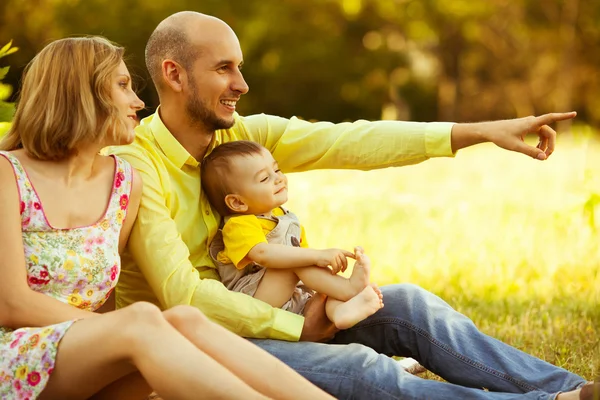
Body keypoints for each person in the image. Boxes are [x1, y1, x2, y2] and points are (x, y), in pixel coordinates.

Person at [107, 11, 598, 400]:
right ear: (174, 74)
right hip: (203, 346)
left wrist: (477, 133)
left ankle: (569, 391)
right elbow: (184, 297)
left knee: (410, 304)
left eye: (239, 67)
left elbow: (347, 140)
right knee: (357, 369)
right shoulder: (139, 165)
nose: (242, 83)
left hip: (281, 318)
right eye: (223, 68)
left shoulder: (240, 136)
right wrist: (298, 328)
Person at [0, 36, 333, 400]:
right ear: (81, 92)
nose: (139, 102)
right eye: (123, 86)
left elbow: (104, 300)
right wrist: (128, 330)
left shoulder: (124, 184)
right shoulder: (8, 175)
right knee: (146, 318)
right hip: (14, 359)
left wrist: (132, 340)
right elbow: (12, 303)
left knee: (187, 320)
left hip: (84, 361)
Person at [202, 140, 384, 329]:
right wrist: (318, 255)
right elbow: (263, 254)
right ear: (238, 203)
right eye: (265, 178)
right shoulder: (239, 224)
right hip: (252, 302)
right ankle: (349, 289)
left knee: (324, 287)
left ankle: (340, 313)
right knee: (293, 260)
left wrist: (323, 271)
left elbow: (309, 265)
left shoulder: (287, 218)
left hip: (289, 295)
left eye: (277, 170)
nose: (279, 178)